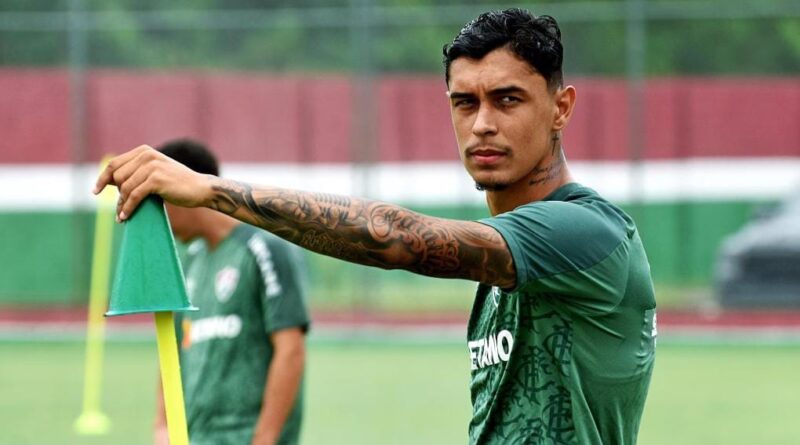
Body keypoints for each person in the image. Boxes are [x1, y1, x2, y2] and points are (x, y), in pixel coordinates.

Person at [98, 9, 656, 445]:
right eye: (464, 103)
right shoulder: (511, 262)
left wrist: (213, 191)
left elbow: (400, 240)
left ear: (561, 108)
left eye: (508, 99)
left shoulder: (586, 230)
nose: (482, 123)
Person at [152, 139, 310, 445]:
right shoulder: (191, 260)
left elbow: (291, 350)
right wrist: (162, 427)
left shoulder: (264, 249)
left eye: (159, 203)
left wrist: (264, 439)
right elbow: (172, 349)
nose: (159, 221)